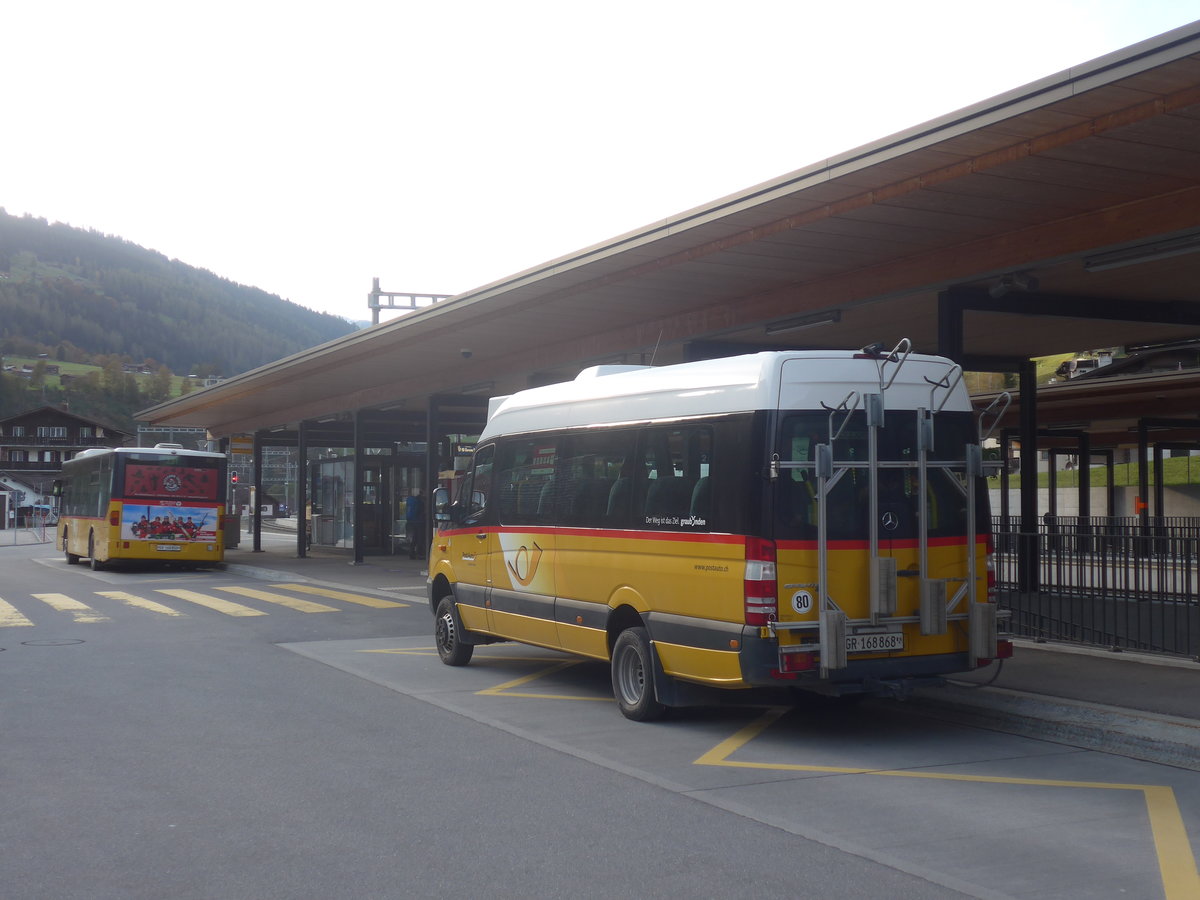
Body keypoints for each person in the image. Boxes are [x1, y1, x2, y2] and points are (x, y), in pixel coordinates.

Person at [405, 490, 425, 560]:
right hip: (419, 522)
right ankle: (419, 553)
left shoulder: (413, 501)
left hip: (412, 521)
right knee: (419, 538)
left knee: (414, 538)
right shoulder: (420, 502)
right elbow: (420, 512)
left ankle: (411, 553)